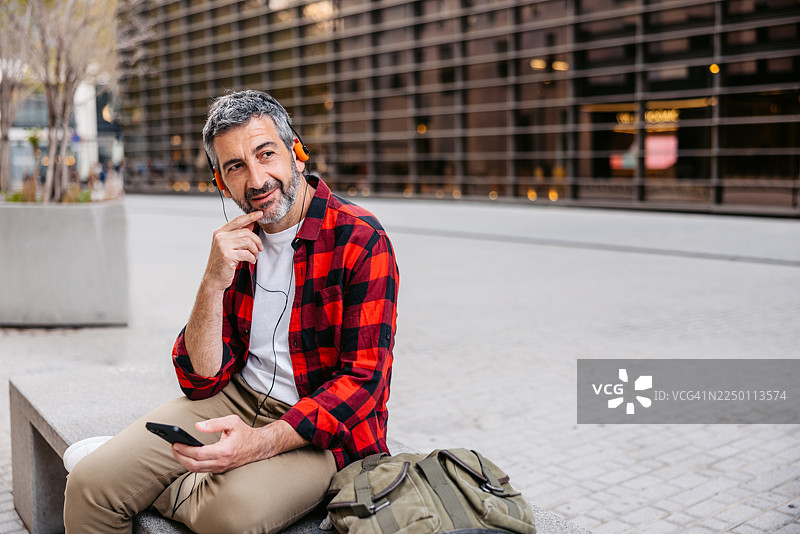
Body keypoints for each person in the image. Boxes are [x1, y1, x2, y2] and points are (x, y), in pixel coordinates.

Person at [64, 90, 400, 534]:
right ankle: (161, 480)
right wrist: (211, 281)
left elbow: (362, 383)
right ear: (221, 182)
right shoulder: (237, 244)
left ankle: (168, 487)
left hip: (323, 431)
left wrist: (258, 444)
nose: (257, 180)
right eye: (236, 166)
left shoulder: (360, 239)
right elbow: (200, 378)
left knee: (229, 515)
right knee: (90, 484)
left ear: (297, 153)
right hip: (237, 397)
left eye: (266, 154)